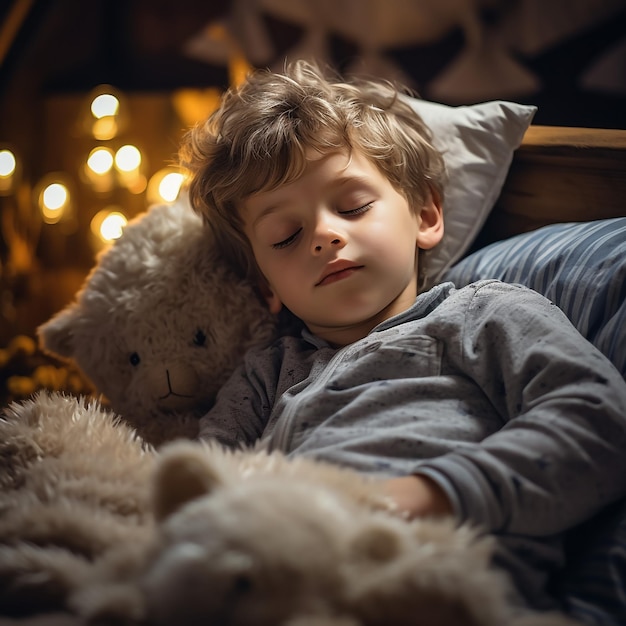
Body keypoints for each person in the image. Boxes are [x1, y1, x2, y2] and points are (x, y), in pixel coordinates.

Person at [179, 60, 626, 619]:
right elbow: (200, 482)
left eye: (352, 206)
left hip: (438, 580)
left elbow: (601, 420)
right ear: (264, 285)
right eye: (286, 235)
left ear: (426, 213)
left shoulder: (480, 313)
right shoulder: (267, 371)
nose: (323, 235)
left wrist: (423, 497)